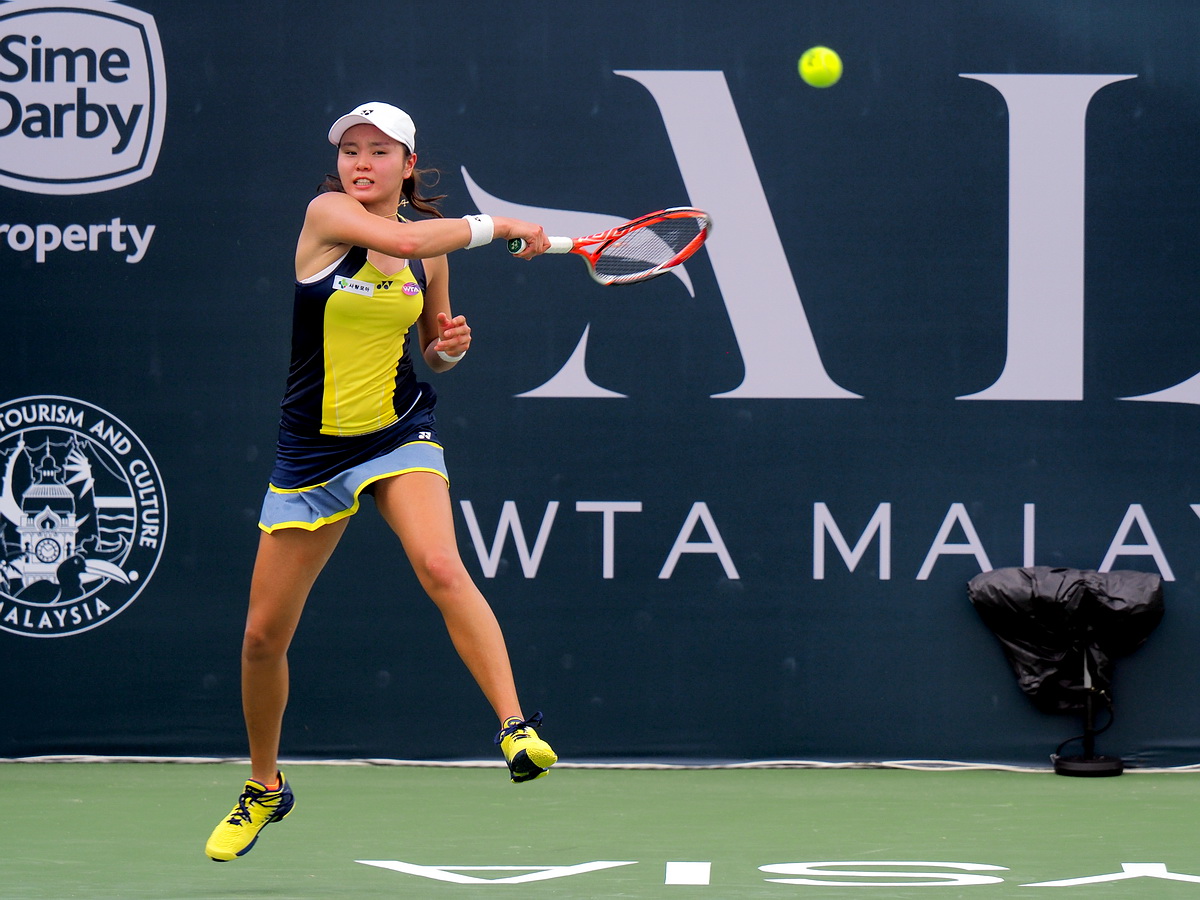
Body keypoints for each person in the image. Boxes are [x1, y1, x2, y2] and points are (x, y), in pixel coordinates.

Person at [205, 102, 557, 863]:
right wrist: (504, 223)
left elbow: (435, 346)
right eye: (351, 151)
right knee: (263, 639)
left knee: (440, 564)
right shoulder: (326, 214)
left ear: (407, 162)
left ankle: (514, 727)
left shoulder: (433, 254)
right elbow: (401, 237)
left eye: (378, 152)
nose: (361, 163)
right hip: (311, 452)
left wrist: (451, 347)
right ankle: (265, 788)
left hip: (397, 433)